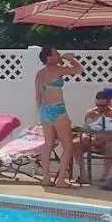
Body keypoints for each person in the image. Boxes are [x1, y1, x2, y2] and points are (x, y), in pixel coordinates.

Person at [35, 46, 84, 189]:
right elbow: (79, 70)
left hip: (45, 110)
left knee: (48, 144)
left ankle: (45, 177)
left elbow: (37, 96)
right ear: (49, 58)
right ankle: (61, 180)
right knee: (68, 145)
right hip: (58, 110)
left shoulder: (40, 74)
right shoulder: (57, 69)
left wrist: (41, 112)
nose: (58, 55)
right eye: (56, 54)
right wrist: (70, 59)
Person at [78, 91, 112, 189]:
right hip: (93, 140)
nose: (100, 108)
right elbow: (85, 130)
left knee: (108, 144)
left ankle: (104, 176)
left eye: (102, 105)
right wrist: (87, 137)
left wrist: (105, 138)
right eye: (97, 105)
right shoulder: (90, 113)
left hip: (110, 140)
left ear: (108, 103)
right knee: (75, 143)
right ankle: (83, 175)